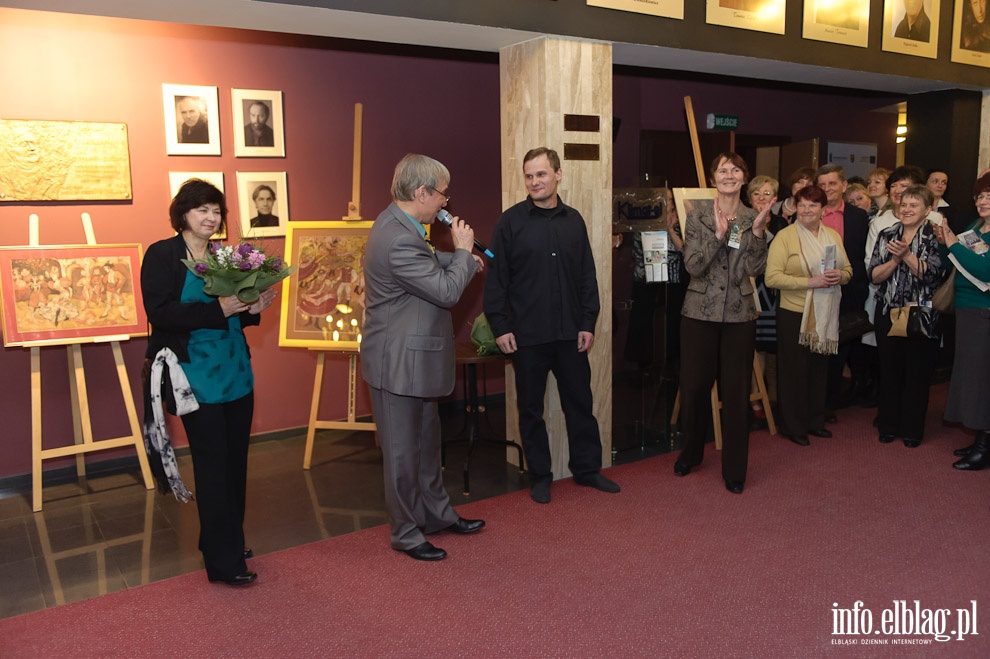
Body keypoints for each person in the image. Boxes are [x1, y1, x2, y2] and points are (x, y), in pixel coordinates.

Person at [141, 179, 277, 586]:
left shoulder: (226, 254)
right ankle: (223, 563)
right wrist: (218, 308)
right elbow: (160, 313)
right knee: (213, 463)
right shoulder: (162, 254)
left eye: (216, 211)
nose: (211, 217)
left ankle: (226, 539)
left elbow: (239, 312)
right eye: (202, 210)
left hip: (234, 368)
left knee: (236, 460)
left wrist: (255, 306)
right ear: (183, 214)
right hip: (191, 374)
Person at [361, 154, 485, 562]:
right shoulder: (397, 236)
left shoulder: (404, 225)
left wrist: (459, 261)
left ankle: (436, 514)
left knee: (427, 446)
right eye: (443, 195)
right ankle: (406, 532)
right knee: (401, 453)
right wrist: (463, 253)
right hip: (398, 363)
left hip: (417, 361)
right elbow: (446, 292)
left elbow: (426, 266)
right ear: (422, 193)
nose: (446, 204)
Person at [484, 147, 620, 504]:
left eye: (541, 174)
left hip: (570, 334)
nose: (534, 181)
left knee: (580, 403)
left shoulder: (574, 221)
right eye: (529, 176)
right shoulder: (509, 222)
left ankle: (587, 470)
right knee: (531, 409)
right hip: (526, 336)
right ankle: (540, 476)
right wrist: (500, 326)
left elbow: (587, 276)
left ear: (558, 175)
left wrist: (588, 320)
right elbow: (497, 280)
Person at [671, 153, 770, 494]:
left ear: (745, 177)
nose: (729, 174)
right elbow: (694, 266)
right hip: (699, 313)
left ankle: (735, 470)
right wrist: (718, 234)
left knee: (736, 392)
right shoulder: (697, 215)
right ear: (713, 178)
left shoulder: (752, 217)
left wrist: (756, 235)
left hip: (739, 315)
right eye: (723, 170)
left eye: (735, 169)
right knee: (695, 388)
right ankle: (691, 453)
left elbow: (755, 269)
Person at [765, 185, 852, 446]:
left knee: (818, 370)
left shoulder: (833, 237)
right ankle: (793, 426)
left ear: (824, 210)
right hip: (794, 312)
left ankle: (815, 421)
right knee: (794, 371)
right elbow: (771, 278)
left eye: (812, 205)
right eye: (801, 204)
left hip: (825, 312)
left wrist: (841, 276)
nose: (806, 209)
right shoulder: (785, 236)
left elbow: (848, 270)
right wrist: (809, 282)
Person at [868, 185, 943, 448]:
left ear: (928, 210)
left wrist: (908, 255)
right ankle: (888, 425)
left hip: (921, 314)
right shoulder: (887, 233)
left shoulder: (934, 237)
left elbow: (932, 274)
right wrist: (895, 261)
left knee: (917, 374)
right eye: (903, 204)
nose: (907, 209)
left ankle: (912, 430)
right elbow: (874, 275)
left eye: (914, 205)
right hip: (888, 312)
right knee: (889, 371)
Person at [933, 172, 990, 470]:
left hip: (985, 313)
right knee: (972, 377)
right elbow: (950, 262)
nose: (983, 201)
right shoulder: (976, 227)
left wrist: (953, 244)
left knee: (983, 380)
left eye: (989, 196)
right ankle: (982, 438)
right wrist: (945, 242)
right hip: (967, 310)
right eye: (980, 196)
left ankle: (985, 444)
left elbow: (985, 271)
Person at [815, 164, 870, 417]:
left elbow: (863, 256)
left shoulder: (859, 217)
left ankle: (831, 403)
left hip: (850, 291)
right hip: (816, 289)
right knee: (818, 349)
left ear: (844, 186)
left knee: (842, 348)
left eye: (832, 184)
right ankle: (818, 402)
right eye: (822, 185)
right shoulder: (810, 214)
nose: (827, 189)